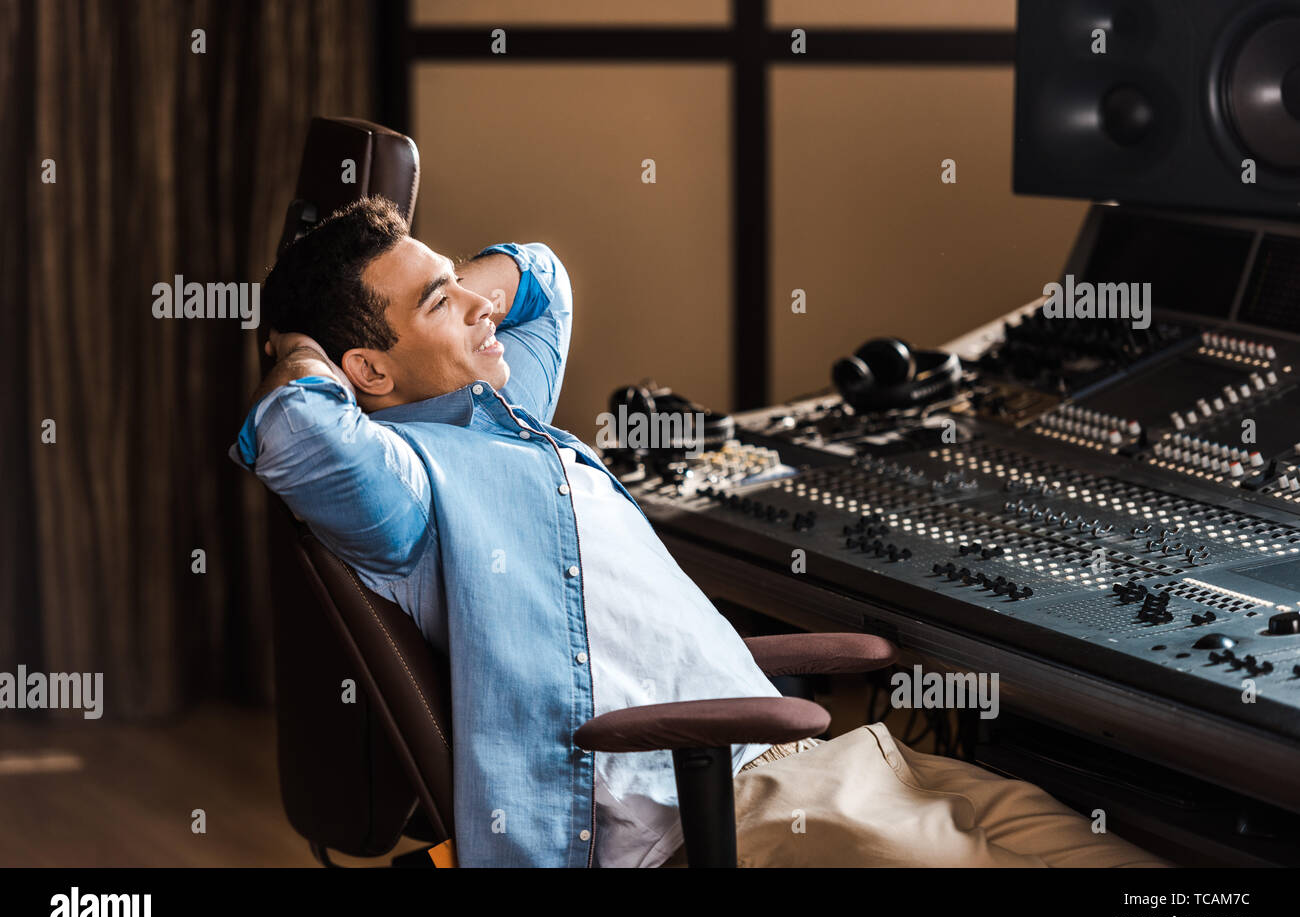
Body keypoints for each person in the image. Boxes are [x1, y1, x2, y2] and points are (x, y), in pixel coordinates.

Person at [232, 197, 1168, 868]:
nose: (482, 308)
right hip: (730, 825)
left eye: (461, 285)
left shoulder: (496, 415)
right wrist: (304, 350)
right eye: (441, 304)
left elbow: (543, 278)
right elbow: (294, 430)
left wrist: (439, 291)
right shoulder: (407, 491)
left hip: (837, 765)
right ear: (368, 371)